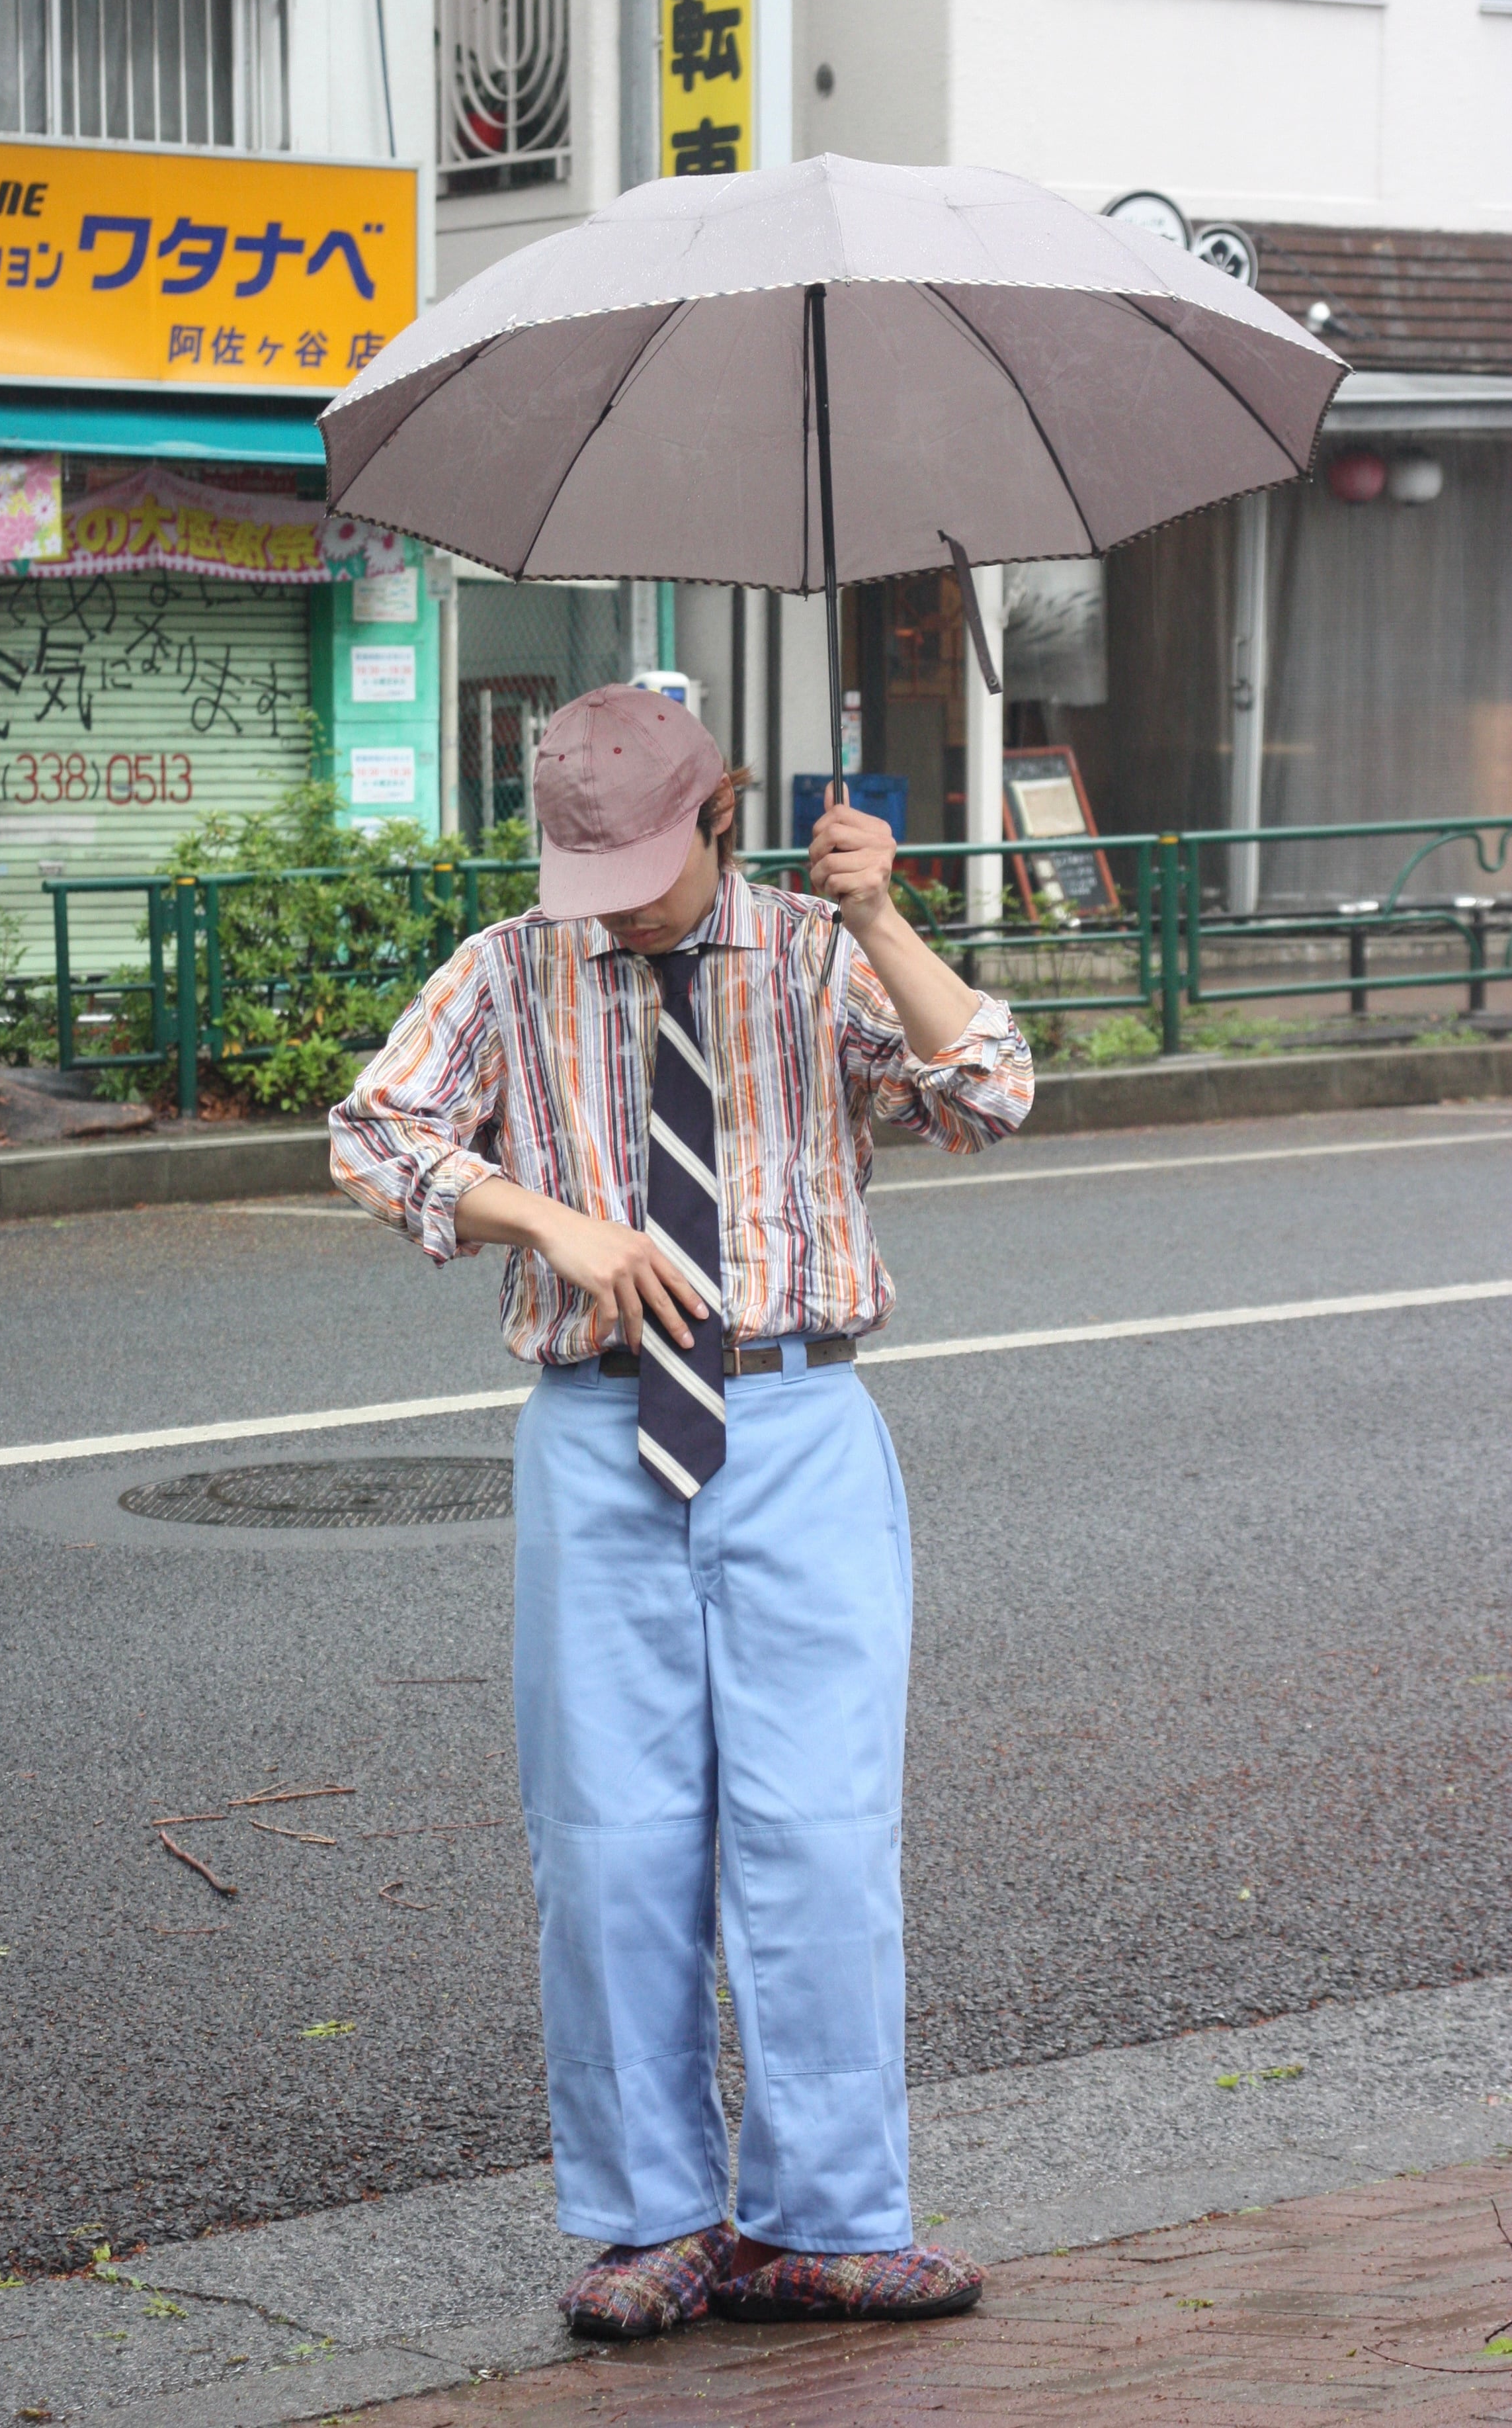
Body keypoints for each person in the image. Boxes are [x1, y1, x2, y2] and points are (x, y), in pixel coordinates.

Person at [331, 684, 1033, 2337]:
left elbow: (986, 1093)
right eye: (588, 872)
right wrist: (540, 1221)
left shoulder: (814, 950)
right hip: (595, 1429)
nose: (618, 906)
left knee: (818, 1835)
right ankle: (649, 2221)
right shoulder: (510, 965)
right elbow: (371, 1132)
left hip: (795, 1416)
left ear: (719, 815)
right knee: (606, 1846)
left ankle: (825, 2221)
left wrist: (879, 914)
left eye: (643, 870)